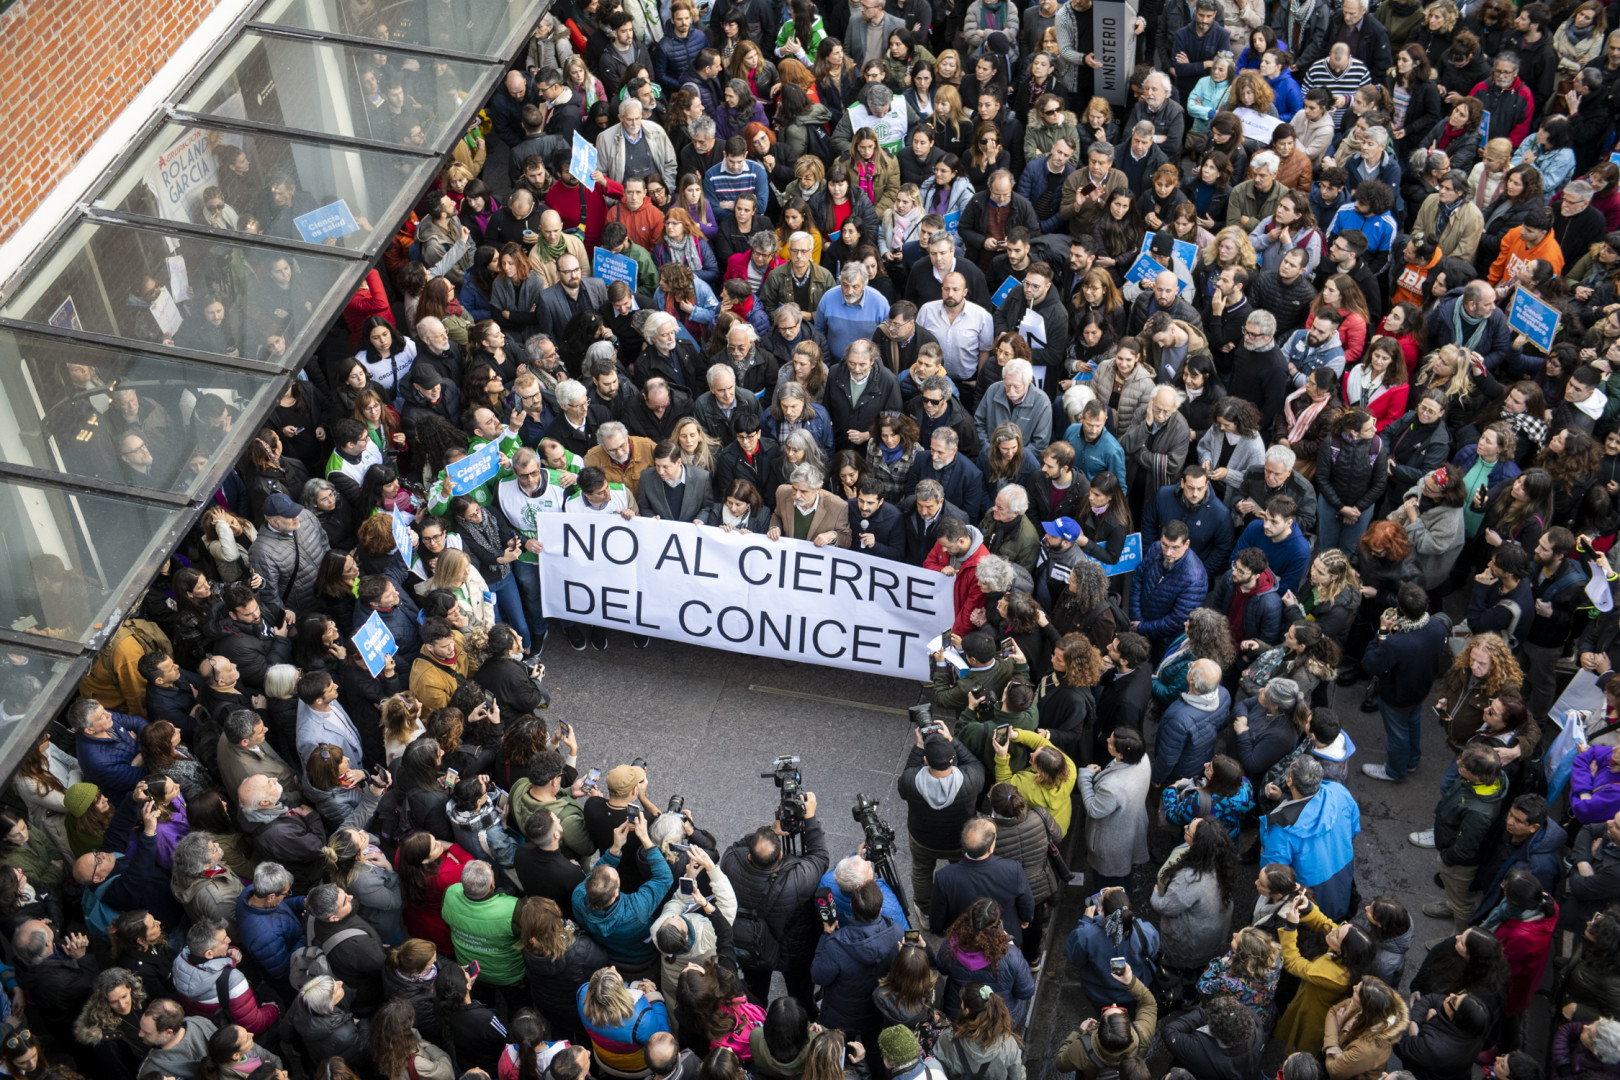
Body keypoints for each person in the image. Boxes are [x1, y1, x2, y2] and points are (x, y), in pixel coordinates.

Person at [718, 789, 829, 1010]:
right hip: (793, 951)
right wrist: (810, 818)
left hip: (753, 945)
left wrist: (771, 830)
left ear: (750, 856)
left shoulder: (731, 863)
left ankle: (757, 1017)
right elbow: (819, 857)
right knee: (800, 994)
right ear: (781, 856)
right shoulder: (798, 879)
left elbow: (737, 845)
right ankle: (803, 1021)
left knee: (755, 990)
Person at [899, 727, 985, 920]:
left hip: (923, 839)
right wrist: (952, 740)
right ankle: (963, 909)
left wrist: (919, 746)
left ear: (926, 760)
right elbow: (975, 764)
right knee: (964, 873)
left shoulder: (911, 781)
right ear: (953, 759)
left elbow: (906, 777)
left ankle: (926, 912)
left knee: (921, 873)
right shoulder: (970, 780)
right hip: (960, 841)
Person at [1260, 756, 1361, 919]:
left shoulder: (1280, 826)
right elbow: (1354, 829)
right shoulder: (1339, 792)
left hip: (1307, 896)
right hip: (1342, 883)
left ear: (1289, 781)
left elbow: (1274, 876)